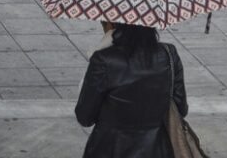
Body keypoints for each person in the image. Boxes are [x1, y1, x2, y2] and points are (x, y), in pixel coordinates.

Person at [75, 21, 188, 158]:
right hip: (157, 150)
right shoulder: (169, 54)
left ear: (116, 25)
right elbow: (181, 108)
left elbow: (85, 117)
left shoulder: (103, 60)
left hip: (109, 149)